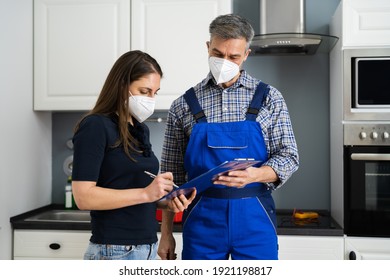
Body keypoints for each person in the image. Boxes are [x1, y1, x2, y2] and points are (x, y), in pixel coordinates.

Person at [157, 14, 299, 260]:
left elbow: (289, 157)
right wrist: (166, 233)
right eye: (217, 54)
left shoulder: (270, 98)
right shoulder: (183, 105)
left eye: (233, 56)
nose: (224, 61)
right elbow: (170, 176)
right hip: (202, 222)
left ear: (246, 54)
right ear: (207, 47)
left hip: (255, 221)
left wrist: (254, 174)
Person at [71, 50, 196, 260]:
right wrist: (147, 194)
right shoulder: (95, 126)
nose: (151, 99)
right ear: (122, 86)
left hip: (146, 248)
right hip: (113, 250)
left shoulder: (139, 130)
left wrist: (164, 200)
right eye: (144, 91)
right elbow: (83, 197)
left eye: (155, 92)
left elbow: (131, 190)